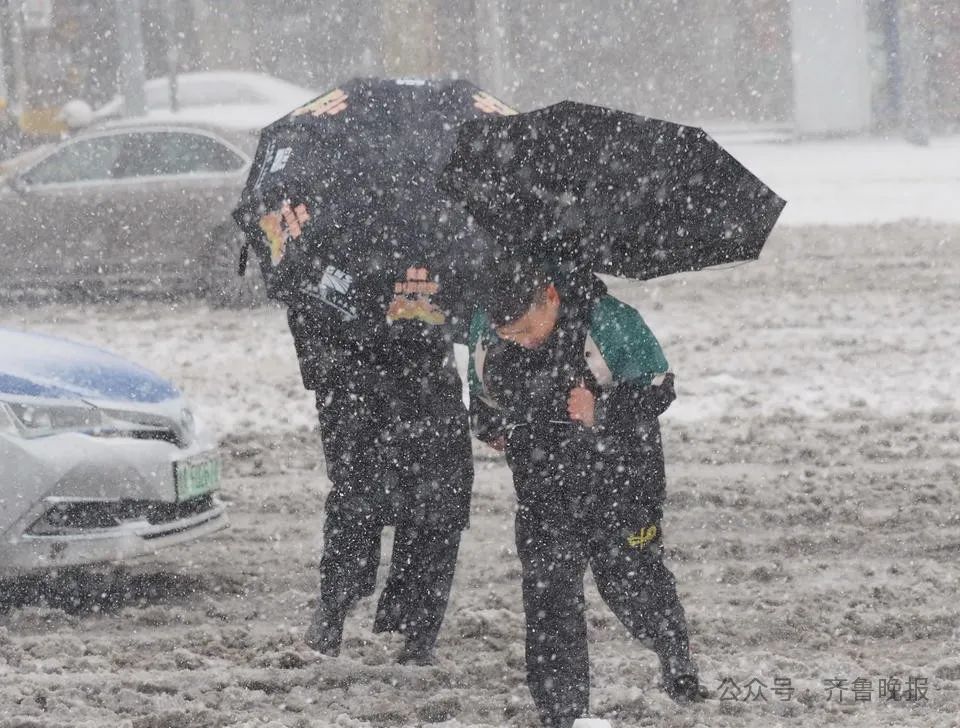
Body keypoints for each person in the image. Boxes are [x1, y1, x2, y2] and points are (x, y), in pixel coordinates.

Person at [468, 264, 702, 727]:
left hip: (622, 480)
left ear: (550, 295)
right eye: (508, 333)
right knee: (550, 599)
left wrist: (602, 409)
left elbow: (660, 387)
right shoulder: (486, 327)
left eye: (527, 328)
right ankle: (563, 713)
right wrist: (490, 429)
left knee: (629, 582)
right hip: (541, 488)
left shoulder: (608, 320)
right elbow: (483, 399)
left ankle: (675, 658)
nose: (521, 340)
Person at [289, 278, 474, 666]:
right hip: (355, 387)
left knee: (437, 504)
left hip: (426, 381)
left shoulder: (436, 237)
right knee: (357, 503)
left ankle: (417, 630)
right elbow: (304, 308)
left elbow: (464, 309)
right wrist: (332, 365)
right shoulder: (325, 238)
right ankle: (334, 612)